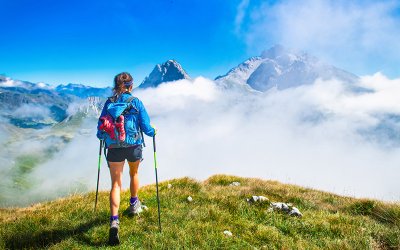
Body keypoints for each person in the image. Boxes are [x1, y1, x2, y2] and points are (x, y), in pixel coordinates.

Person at [97, 72, 156, 245]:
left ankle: (114, 221)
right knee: (134, 174)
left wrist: (102, 136)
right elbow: (146, 127)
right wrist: (154, 132)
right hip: (133, 146)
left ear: (116, 86)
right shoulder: (136, 102)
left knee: (116, 184)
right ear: (131, 86)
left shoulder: (109, 103)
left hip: (114, 148)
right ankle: (133, 204)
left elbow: (100, 130)